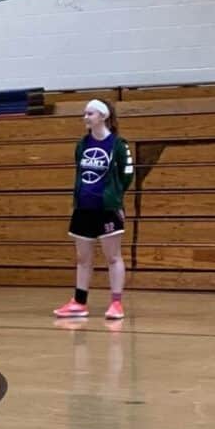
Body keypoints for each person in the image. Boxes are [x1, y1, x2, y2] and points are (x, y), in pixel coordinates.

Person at [56, 98, 133, 322]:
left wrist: (115, 199)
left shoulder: (119, 145)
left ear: (103, 116)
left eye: (90, 114)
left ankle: (116, 303)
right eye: (85, 114)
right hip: (83, 209)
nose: (85, 117)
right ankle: (79, 303)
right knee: (82, 259)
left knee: (113, 257)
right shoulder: (82, 144)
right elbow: (80, 174)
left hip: (107, 209)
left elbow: (127, 175)